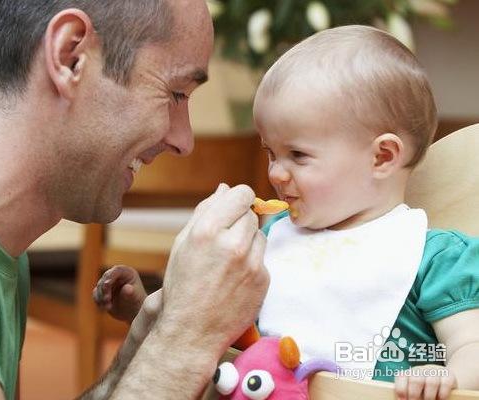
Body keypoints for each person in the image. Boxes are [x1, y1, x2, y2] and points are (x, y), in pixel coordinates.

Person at [101, 25, 479, 400]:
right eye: (271, 153)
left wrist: (446, 374)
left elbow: (472, 346)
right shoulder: (270, 238)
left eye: (298, 155)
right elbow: (212, 324)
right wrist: (146, 309)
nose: (275, 173)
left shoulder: (436, 258)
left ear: (382, 157)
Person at [0, 0, 269, 399]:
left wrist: (140, 355)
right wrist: (186, 338)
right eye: (176, 93)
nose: (184, 141)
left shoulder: (1, 249)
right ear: (72, 56)